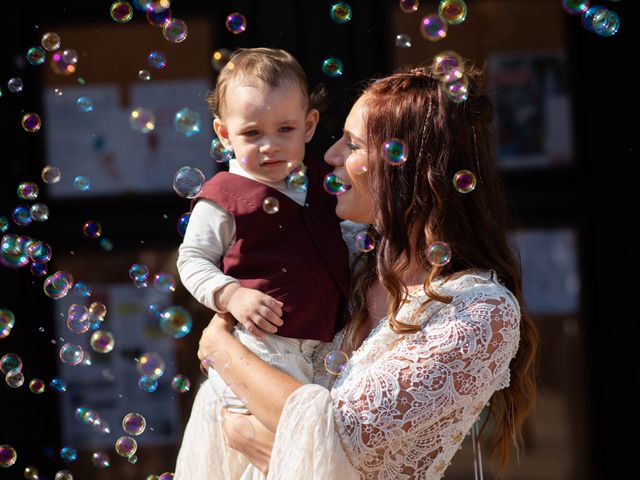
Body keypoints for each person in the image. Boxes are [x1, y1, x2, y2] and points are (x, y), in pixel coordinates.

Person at [175, 61, 538, 480]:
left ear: (407, 166)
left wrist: (221, 348)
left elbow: (340, 437)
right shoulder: (355, 265)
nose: (329, 155)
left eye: (352, 144)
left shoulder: (478, 312)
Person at [176, 47, 349, 436]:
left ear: (309, 125)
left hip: (326, 344)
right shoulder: (223, 196)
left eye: (284, 130)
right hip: (261, 348)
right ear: (224, 133)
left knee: (325, 434)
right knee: (281, 440)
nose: (269, 145)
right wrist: (230, 295)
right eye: (252, 133)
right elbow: (192, 259)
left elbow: (345, 240)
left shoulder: (325, 184)